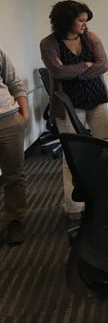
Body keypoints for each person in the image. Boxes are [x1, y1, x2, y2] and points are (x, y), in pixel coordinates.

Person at [40, 0, 108, 222]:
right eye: (80, 20)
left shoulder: (91, 38)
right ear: (66, 21)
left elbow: (102, 65)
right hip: (68, 105)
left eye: (86, 20)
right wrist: (86, 65)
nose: (85, 25)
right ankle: (74, 206)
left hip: (97, 100)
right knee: (73, 154)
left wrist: (74, 71)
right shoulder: (49, 44)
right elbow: (57, 71)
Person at [0, 49, 28, 246]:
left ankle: (14, 220)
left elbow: (14, 83)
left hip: (8, 120)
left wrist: (23, 115)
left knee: (14, 174)